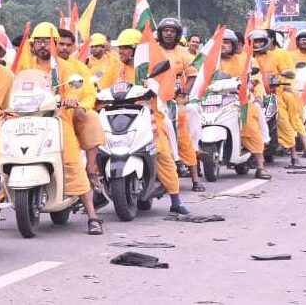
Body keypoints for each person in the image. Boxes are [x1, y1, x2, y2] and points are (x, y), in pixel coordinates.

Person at [21, 22, 103, 234]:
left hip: (59, 120)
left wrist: (73, 101)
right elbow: (16, 89)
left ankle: (92, 216)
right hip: (31, 120)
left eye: (47, 41)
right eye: (38, 41)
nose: (42, 46)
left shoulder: (66, 68)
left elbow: (79, 90)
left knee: (72, 163)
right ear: (33, 44)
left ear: (54, 43)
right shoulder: (27, 67)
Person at [99, 28, 190, 214]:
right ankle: (98, 191)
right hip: (119, 115)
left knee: (162, 152)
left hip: (149, 116)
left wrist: (152, 86)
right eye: (119, 48)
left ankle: (175, 199)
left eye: (124, 48)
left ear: (135, 49)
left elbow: (167, 88)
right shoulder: (116, 67)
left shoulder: (153, 66)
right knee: (99, 149)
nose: (120, 52)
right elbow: (102, 88)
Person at [55, 28, 106, 205]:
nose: (64, 48)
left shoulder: (79, 68)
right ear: (54, 43)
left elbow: (89, 94)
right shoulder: (42, 64)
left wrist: (81, 107)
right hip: (43, 115)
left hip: (70, 114)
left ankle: (91, 168)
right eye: (61, 44)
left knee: (92, 117)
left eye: (68, 45)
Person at [155, 18, 205, 192]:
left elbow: (192, 75)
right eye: (165, 30)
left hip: (176, 101)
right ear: (160, 33)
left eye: (172, 31)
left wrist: (184, 92)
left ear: (177, 34)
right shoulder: (153, 50)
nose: (168, 33)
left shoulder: (183, 52)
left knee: (183, 137)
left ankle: (195, 179)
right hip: (155, 99)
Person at [250, 30, 306, 165]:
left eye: (261, 41)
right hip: (253, 93)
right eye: (255, 41)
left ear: (268, 41)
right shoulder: (248, 57)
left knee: (282, 119)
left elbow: (286, 71)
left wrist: (284, 80)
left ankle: (293, 153)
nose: (258, 44)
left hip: (274, 92)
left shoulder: (275, 55)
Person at [218, 29, 271, 179]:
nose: (222, 45)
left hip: (239, 100)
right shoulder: (209, 61)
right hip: (214, 100)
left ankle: (260, 166)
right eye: (219, 42)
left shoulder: (246, 60)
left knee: (249, 126)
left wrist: (251, 89)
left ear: (234, 45)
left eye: (226, 42)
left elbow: (254, 80)